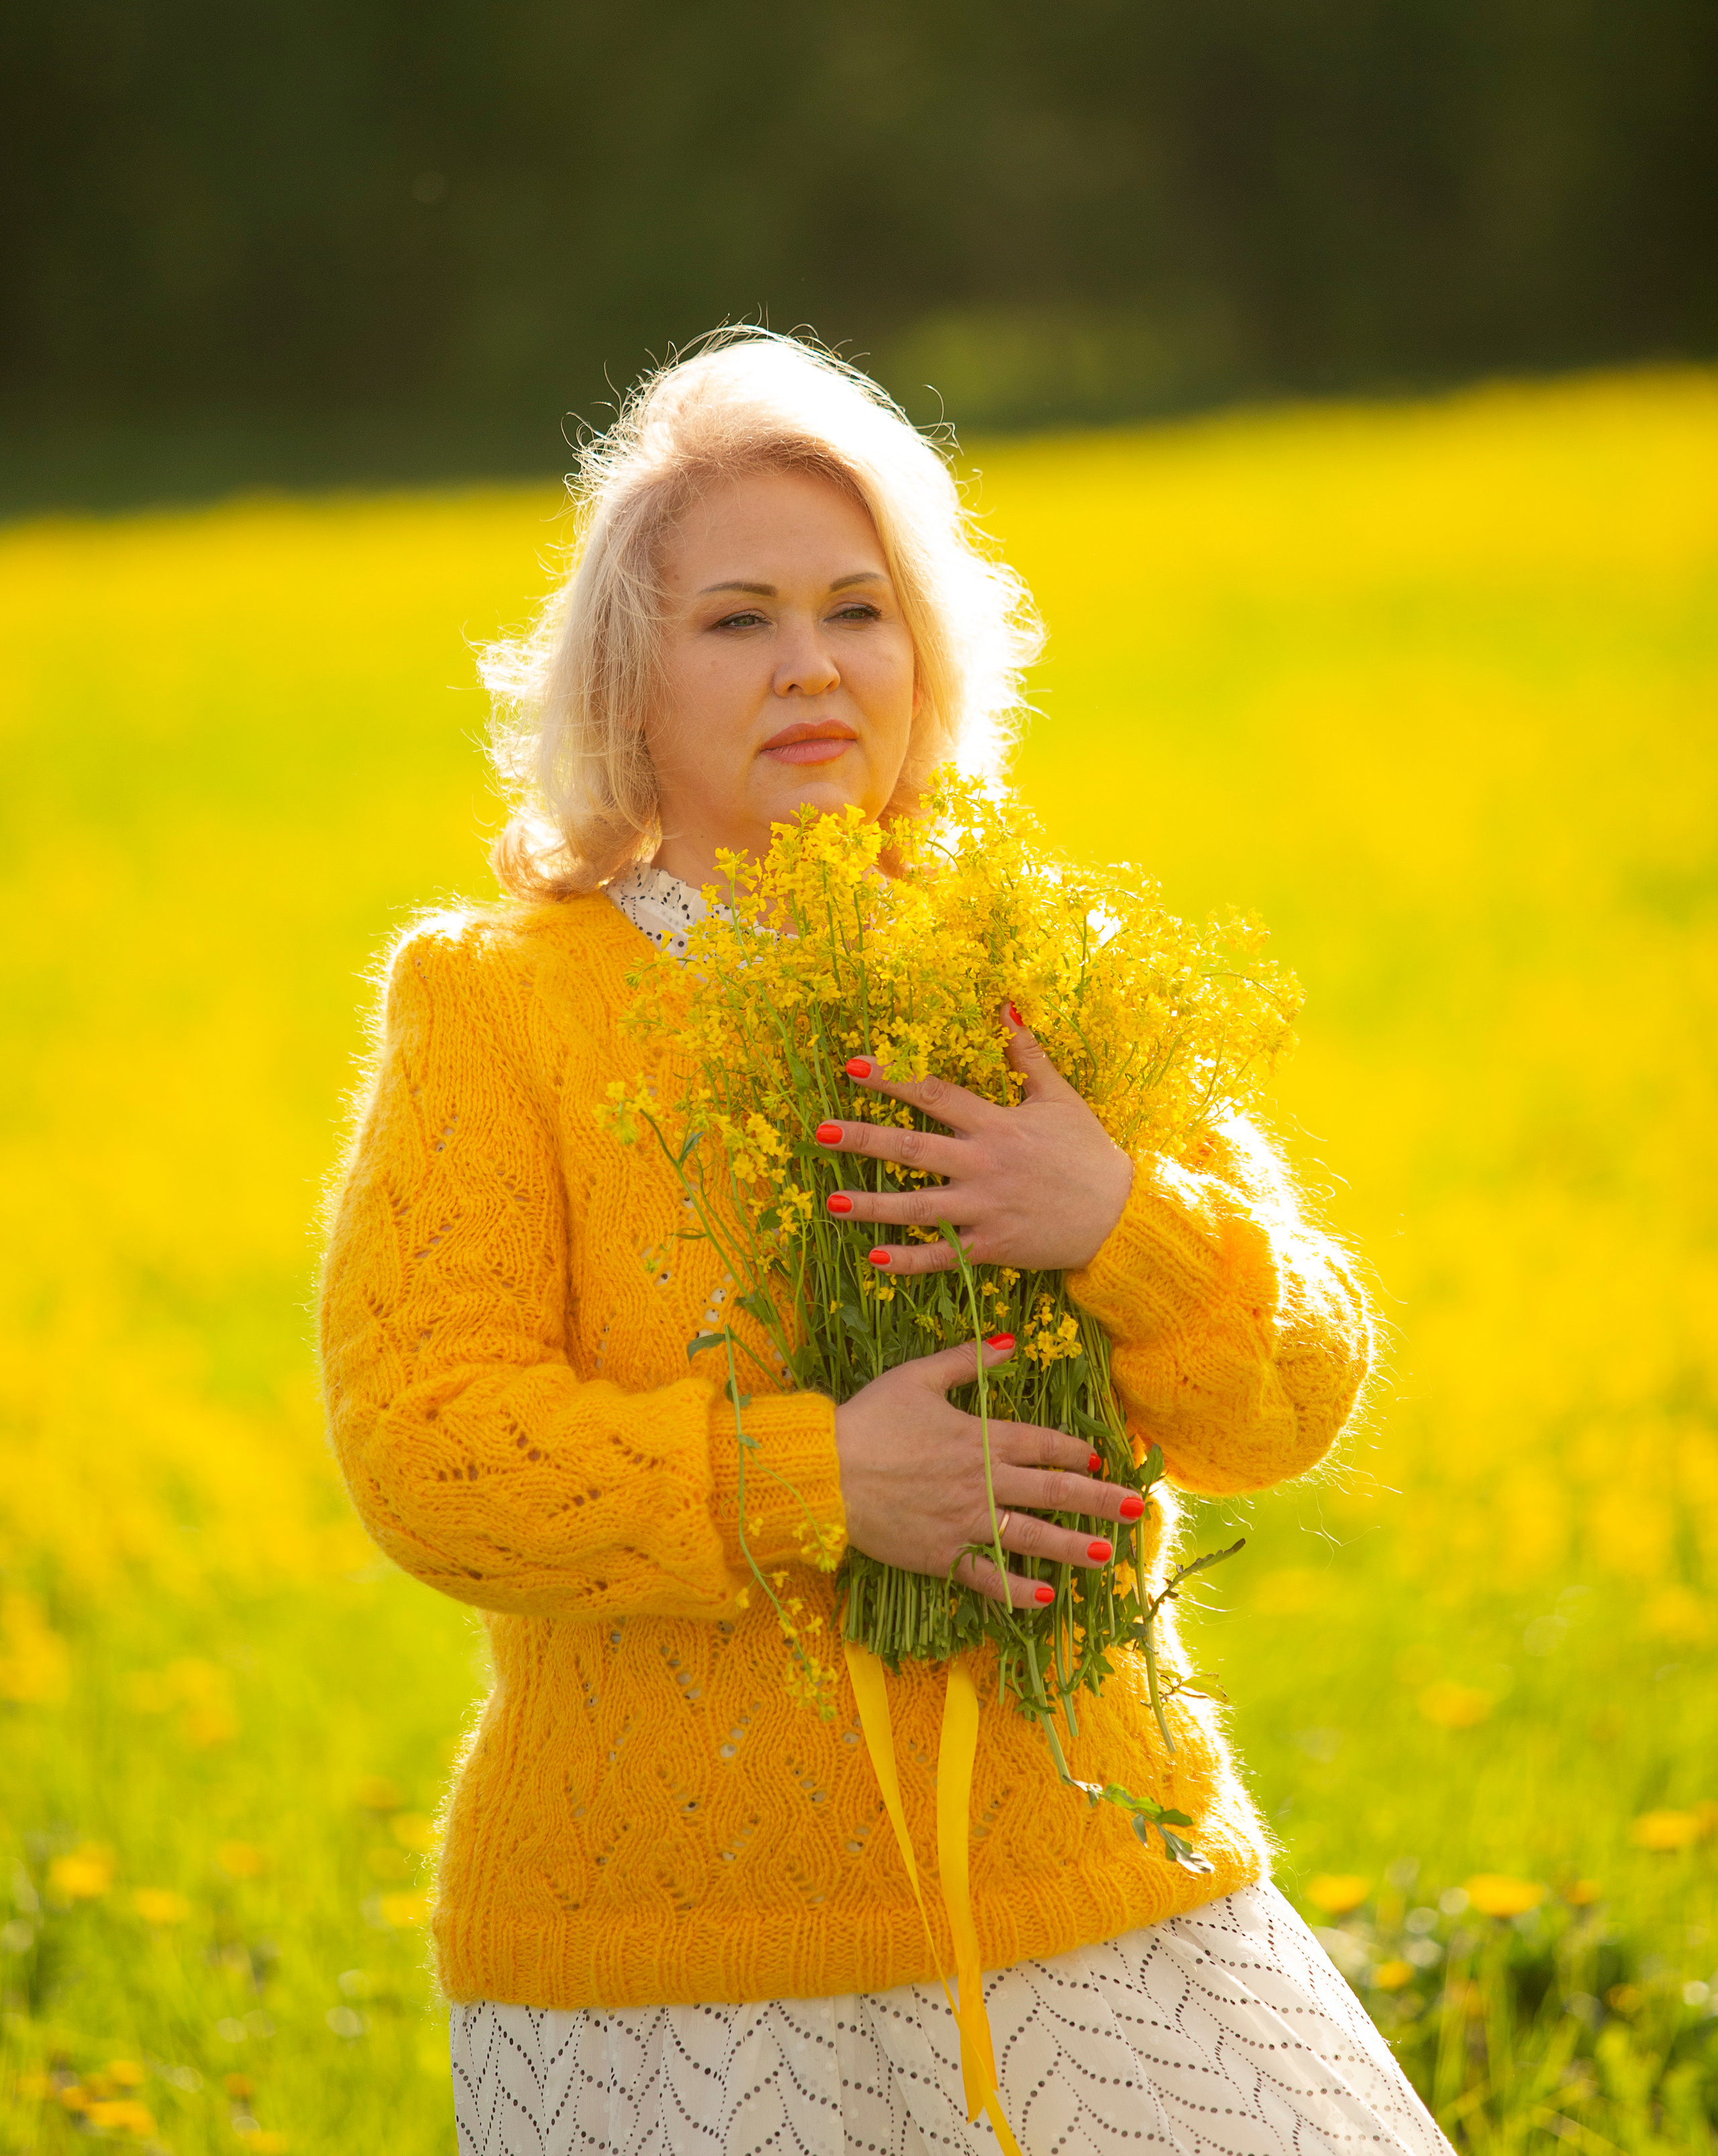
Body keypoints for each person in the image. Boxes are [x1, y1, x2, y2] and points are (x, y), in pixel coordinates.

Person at [319, 329, 1450, 2156]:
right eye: (738, 618)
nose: (813, 663)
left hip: (1090, 1883)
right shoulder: (495, 1002)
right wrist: (823, 1477)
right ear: (625, 672)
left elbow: (1292, 1395)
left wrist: (1117, 1221)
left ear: (926, 649)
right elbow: (429, 1450)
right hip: (659, 1961)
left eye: (859, 607)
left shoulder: (1039, 963)